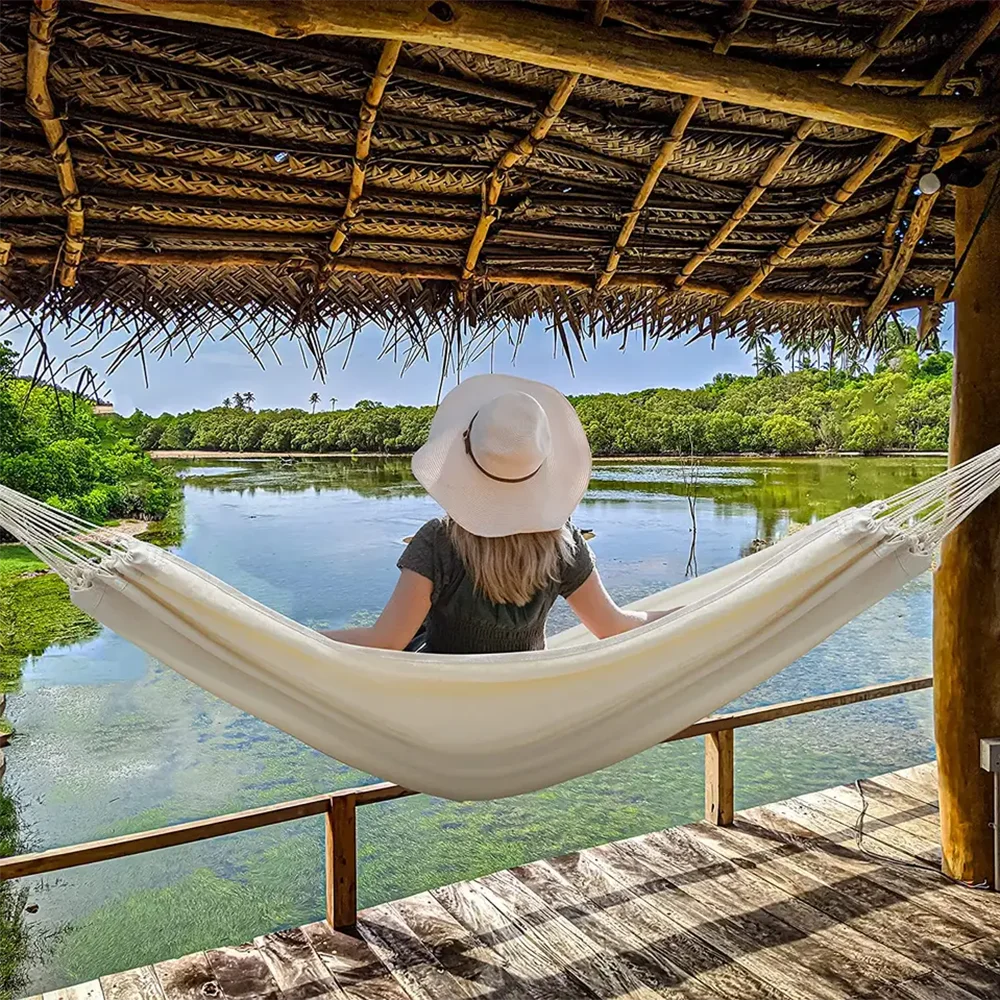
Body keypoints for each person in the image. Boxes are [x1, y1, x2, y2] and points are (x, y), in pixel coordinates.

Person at [321, 374, 674, 653]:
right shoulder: (564, 544)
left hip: (440, 703)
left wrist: (297, 638)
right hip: (527, 701)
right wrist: (699, 614)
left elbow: (386, 642)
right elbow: (615, 627)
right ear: (542, 462)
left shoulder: (437, 543)